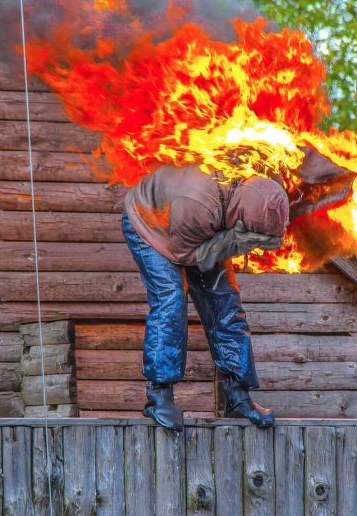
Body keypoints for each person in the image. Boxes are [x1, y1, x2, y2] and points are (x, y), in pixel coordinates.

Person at [121, 163, 289, 432]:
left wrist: (244, 238)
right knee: (171, 299)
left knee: (225, 301)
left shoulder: (255, 182)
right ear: (241, 219)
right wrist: (237, 241)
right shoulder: (197, 206)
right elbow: (186, 258)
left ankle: (238, 396)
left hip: (203, 228)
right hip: (153, 226)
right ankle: (159, 395)